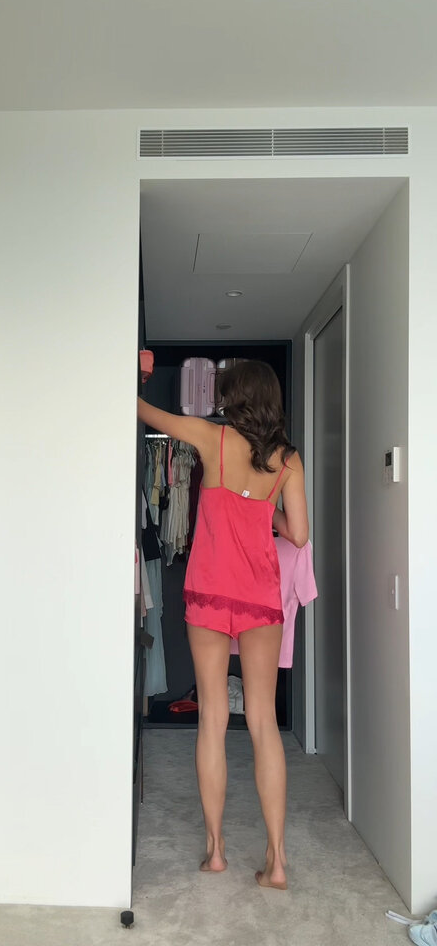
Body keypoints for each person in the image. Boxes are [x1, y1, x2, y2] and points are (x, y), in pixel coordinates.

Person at [137, 360, 309, 890]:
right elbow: (299, 535)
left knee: (212, 718)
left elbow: (141, 412)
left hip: (209, 595)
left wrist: (136, 378)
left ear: (236, 398)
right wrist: (265, 510)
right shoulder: (288, 460)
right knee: (262, 722)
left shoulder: (211, 438)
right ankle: (276, 862)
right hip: (260, 597)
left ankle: (215, 852)